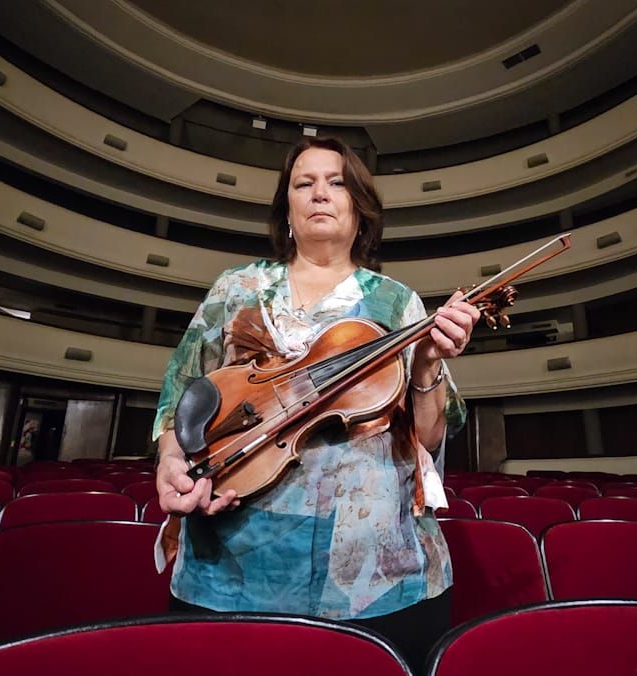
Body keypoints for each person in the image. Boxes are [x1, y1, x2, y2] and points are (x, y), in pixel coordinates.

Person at [151, 137, 506, 672]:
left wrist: (427, 365)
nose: (320, 193)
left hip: (374, 573)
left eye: (337, 182)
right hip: (232, 562)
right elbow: (181, 395)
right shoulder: (236, 288)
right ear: (287, 209)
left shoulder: (397, 303)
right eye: (304, 183)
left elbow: (429, 438)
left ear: (359, 210)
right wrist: (170, 462)